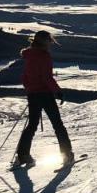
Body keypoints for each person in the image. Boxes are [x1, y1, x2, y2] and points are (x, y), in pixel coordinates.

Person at [15, 31, 73, 168]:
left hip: (33, 95)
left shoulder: (29, 55)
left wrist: (30, 89)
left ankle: (23, 156)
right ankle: (67, 155)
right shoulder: (44, 56)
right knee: (57, 124)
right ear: (45, 41)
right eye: (49, 40)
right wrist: (57, 92)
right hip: (45, 94)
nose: (51, 43)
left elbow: (25, 77)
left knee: (31, 125)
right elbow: (47, 77)